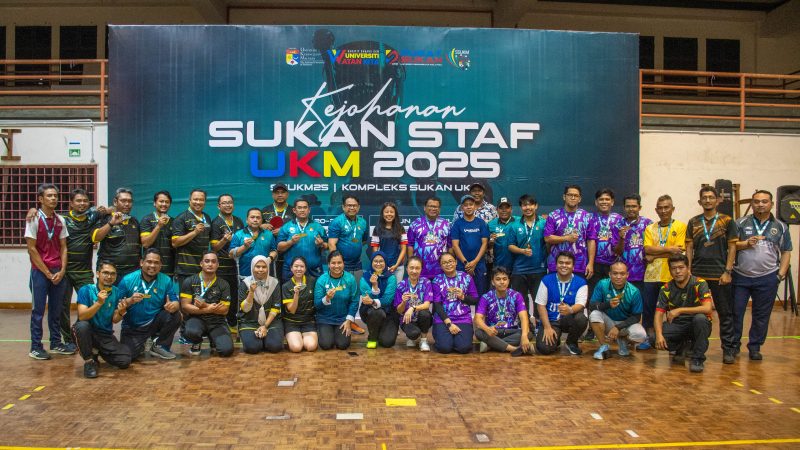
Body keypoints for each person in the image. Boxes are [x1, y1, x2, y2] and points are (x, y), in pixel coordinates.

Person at [732, 190, 792, 361]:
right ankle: (733, 346)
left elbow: (786, 251)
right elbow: (731, 246)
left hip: (768, 277)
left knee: (761, 315)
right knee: (736, 313)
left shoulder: (780, 226)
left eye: (764, 201)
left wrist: (780, 275)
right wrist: (745, 243)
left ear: (771, 204)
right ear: (752, 204)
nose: (760, 204)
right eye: (757, 201)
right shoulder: (740, 223)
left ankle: (755, 347)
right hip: (741, 276)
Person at [685, 186, 738, 364]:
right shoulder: (693, 222)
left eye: (711, 197)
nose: (707, 200)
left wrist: (727, 271)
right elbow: (689, 247)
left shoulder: (727, 221)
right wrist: (689, 271)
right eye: (704, 197)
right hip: (698, 275)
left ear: (717, 200)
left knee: (725, 313)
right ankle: (694, 347)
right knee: (695, 314)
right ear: (700, 201)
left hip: (720, 275)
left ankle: (728, 349)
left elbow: (732, 247)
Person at [25, 183, 70, 360]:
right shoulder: (33, 219)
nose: (53, 198)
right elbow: (31, 249)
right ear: (41, 199)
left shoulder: (60, 220)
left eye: (55, 196)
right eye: (49, 196)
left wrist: (62, 270)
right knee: (38, 311)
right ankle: (35, 347)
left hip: (58, 271)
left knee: (56, 309)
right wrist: (47, 273)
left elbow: (64, 246)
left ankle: (56, 343)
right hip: (39, 272)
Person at [58, 189, 105, 355]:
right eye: (78, 201)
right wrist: (32, 210)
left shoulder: (92, 217)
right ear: (71, 203)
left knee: (91, 303)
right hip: (64, 271)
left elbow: (111, 209)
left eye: (85, 201)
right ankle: (67, 339)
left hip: (84, 271)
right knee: (62, 307)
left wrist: (106, 210)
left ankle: (78, 331)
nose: (82, 204)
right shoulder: (62, 219)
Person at [73, 262, 134, 378]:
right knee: (82, 326)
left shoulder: (116, 292)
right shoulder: (86, 290)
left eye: (113, 274)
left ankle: (96, 351)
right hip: (87, 331)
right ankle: (89, 361)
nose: (109, 276)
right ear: (98, 274)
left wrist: (121, 312)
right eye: (105, 273)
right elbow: (82, 316)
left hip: (104, 334)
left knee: (125, 360)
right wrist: (99, 303)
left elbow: (115, 320)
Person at [118, 249, 181, 360]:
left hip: (154, 323)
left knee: (175, 315)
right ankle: (140, 343)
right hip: (133, 327)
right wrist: (130, 300)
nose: (152, 265)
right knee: (127, 357)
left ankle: (160, 345)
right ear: (142, 262)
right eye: (149, 262)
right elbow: (117, 304)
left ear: (161, 265)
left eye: (156, 263)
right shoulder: (127, 280)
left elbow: (175, 301)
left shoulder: (166, 280)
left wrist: (173, 306)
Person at [654, 254, 713, 373]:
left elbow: (708, 308)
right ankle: (682, 347)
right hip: (679, 325)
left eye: (681, 267)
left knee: (700, 319)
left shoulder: (699, 283)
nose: (677, 271)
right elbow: (658, 314)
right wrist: (659, 335)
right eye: (674, 268)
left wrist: (680, 310)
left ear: (688, 268)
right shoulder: (666, 288)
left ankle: (697, 359)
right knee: (653, 337)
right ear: (670, 270)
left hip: (698, 323)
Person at [642, 195, 686, 349]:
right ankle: (649, 338)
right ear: (656, 210)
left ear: (673, 209)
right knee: (649, 309)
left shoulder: (680, 226)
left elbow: (678, 252)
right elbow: (647, 249)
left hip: (672, 276)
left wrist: (655, 255)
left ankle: (675, 341)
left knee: (673, 310)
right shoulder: (650, 228)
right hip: (651, 276)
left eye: (666, 207)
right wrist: (669, 249)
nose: (663, 211)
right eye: (660, 208)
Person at [180, 251, 234, 357]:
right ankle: (196, 342)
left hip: (217, 321)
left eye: (213, 261)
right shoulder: (189, 281)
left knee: (226, 351)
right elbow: (185, 306)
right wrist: (208, 309)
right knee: (190, 332)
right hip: (196, 319)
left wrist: (205, 305)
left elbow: (224, 310)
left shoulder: (224, 284)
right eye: (207, 261)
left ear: (218, 264)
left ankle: (214, 340)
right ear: (201, 263)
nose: (210, 264)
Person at [589, 261, 647, 359]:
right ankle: (604, 346)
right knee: (594, 314)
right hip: (608, 323)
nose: (618, 277)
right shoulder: (602, 284)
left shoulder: (634, 291)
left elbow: (636, 317)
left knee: (640, 335)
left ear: (627, 275)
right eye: (615, 273)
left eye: (622, 274)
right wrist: (608, 304)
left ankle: (623, 340)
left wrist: (618, 327)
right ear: (610, 274)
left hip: (625, 325)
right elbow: (592, 305)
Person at [534, 251, 589, 356]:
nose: (564, 265)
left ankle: (571, 342)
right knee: (544, 349)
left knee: (581, 319)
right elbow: (540, 305)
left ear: (573, 266)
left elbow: (581, 304)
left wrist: (570, 310)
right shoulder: (546, 280)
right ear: (556, 265)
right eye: (561, 262)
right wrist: (547, 327)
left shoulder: (581, 282)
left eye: (568, 263)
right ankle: (556, 339)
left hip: (569, 319)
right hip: (551, 321)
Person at [474, 267, 533, 356]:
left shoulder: (516, 295)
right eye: (498, 279)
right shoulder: (486, 297)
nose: (502, 282)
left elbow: (524, 317)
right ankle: (514, 348)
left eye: (504, 279)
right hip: (493, 331)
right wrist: (487, 329)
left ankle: (491, 345)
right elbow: (477, 318)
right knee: (479, 332)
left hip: (512, 330)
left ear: (508, 281)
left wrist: (524, 336)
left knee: (528, 334)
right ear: (493, 282)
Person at [544, 185, 596, 280]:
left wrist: (591, 263)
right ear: (564, 197)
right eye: (570, 195)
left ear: (580, 199)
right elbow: (547, 238)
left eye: (576, 196)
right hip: (556, 264)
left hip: (579, 264)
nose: (573, 197)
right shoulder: (553, 215)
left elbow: (591, 240)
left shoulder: (587, 217)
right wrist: (566, 238)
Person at [431, 253, 479, 354]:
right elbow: (437, 305)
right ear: (441, 266)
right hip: (443, 319)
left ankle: (454, 340)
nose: (448, 264)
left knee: (464, 348)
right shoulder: (437, 280)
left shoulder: (467, 278)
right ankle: (447, 339)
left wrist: (463, 297)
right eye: (444, 263)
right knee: (444, 348)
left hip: (463, 317)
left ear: (456, 262)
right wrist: (449, 324)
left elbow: (475, 300)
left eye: (450, 261)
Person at [210, 194, 244, 331]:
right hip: (222, 267)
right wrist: (224, 240)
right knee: (220, 295)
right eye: (224, 203)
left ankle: (233, 323)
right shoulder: (216, 223)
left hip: (237, 266)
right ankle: (218, 324)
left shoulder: (238, 221)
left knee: (235, 295)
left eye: (230, 202)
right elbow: (214, 247)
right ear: (219, 206)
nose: (228, 205)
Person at [508, 194, 547, 312]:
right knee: (521, 302)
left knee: (539, 301)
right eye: (524, 205)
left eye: (530, 205)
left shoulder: (544, 223)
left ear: (536, 206)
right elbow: (510, 246)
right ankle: (524, 322)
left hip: (539, 269)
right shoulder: (514, 225)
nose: (528, 208)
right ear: (521, 207)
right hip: (519, 270)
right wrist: (522, 251)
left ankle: (539, 322)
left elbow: (549, 242)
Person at [93, 187, 141, 281]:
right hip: (110, 272)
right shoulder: (105, 219)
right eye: (123, 201)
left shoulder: (134, 221)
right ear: (115, 202)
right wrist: (111, 223)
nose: (127, 204)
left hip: (132, 272)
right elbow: (95, 238)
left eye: (130, 201)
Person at [314, 251, 359, 350]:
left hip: (343, 319)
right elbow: (317, 304)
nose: (336, 266)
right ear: (328, 264)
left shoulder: (350, 279)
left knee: (343, 345)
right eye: (333, 263)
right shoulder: (321, 280)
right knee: (326, 345)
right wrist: (326, 298)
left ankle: (337, 333)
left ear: (343, 263)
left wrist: (348, 320)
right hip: (325, 318)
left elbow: (354, 301)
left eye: (339, 262)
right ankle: (326, 332)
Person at [238, 255, 283, 354]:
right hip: (250, 321)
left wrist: (265, 326)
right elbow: (245, 309)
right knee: (253, 348)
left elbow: (275, 307)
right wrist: (251, 292)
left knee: (274, 346)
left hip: (271, 322)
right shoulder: (245, 283)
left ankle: (265, 337)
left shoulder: (274, 283)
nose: (261, 270)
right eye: (257, 267)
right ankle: (259, 339)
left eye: (264, 267)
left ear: (268, 268)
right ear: (252, 267)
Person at [172, 189, 213, 289]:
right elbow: (175, 243)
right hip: (186, 269)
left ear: (205, 202)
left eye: (201, 200)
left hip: (203, 268)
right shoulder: (181, 218)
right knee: (186, 298)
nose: (198, 202)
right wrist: (194, 232)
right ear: (189, 201)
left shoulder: (207, 218)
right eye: (195, 199)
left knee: (201, 297)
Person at [277, 198, 328, 279]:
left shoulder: (318, 227)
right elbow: (279, 248)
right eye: (299, 208)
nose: (302, 210)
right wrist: (290, 242)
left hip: (314, 270)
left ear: (309, 210)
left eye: (305, 207)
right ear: (294, 210)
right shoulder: (286, 227)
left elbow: (327, 245)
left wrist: (321, 244)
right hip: (292, 270)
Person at [451, 194, 490, 295]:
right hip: (462, 266)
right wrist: (466, 264)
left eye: (471, 204)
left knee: (480, 294)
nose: (468, 207)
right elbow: (455, 245)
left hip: (479, 265)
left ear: (475, 206)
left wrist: (475, 262)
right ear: (462, 207)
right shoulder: (457, 224)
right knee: (462, 295)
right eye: (466, 205)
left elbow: (484, 243)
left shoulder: (481, 223)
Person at [358, 251, 399, 348]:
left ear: (385, 263)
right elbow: (368, 301)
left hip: (389, 313)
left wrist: (373, 300)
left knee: (387, 343)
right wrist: (374, 287)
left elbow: (387, 300)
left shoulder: (391, 278)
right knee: (377, 311)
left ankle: (380, 331)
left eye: (381, 261)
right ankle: (372, 338)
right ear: (371, 262)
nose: (378, 263)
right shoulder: (365, 278)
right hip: (370, 311)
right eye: (375, 261)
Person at [613, 194, 652, 293]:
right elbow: (617, 252)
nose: (631, 209)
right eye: (628, 206)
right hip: (624, 275)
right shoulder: (618, 225)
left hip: (645, 274)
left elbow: (653, 247)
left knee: (642, 302)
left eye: (634, 206)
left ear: (640, 207)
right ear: (624, 207)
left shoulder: (648, 224)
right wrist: (621, 238)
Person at [394, 256, 433, 351]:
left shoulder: (426, 283)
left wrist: (412, 308)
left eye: (417, 268)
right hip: (407, 319)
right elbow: (399, 311)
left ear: (421, 269)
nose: (414, 271)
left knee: (425, 314)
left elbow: (427, 305)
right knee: (413, 334)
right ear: (407, 269)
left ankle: (423, 341)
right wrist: (403, 302)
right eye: (411, 268)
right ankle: (411, 337)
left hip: (421, 316)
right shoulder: (401, 285)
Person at [407, 196, 451, 280]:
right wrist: (411, 263)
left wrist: (449, 265)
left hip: (441, 270)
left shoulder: (446, 224)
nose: (433, 209)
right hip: (419, 270)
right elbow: (410, 245)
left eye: (436, 207)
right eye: (430, 206)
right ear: (424, 208)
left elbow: (450, 246)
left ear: (439, 209)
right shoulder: (415, 224)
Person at [588, 188, 624, 289]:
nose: (604, 202)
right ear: (596, 202)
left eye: (607, 199)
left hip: (613, 264)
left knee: (612, 293)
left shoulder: (619, 219)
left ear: (612, 202)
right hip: (594, 264)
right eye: (601, 199)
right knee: (595, 293)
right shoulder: (589, 218)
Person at [328, 195, 370, 279]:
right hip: (342, 265)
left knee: (357, 286)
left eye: (354, 205)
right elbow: (331, 244)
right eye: (349, 205)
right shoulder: (337, 222)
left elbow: (363, 241)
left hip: (357, 264)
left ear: (358, 207)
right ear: (343, 207)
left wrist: (353, 247)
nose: (352, 208)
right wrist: (338, 263)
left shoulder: (363, 222)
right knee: (343, 286)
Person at [282, 256, 318, 353]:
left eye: (302, 266)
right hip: (292, 322)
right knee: (296, 348)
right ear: (291, 268)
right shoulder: (286, 286)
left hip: (308, 321)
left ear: (305, 269)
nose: (299, 269)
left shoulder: (312, 281)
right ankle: (293, 338)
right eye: (296, 266)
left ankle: (302, 337)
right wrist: (296, 294)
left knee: (311, 347)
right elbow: (292, 310)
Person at [261, 183, 295, 284]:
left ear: (287, 194)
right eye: (277, 192)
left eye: (282, 192)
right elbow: (254, 227)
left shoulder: (294, 211)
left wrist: (283, 231)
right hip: (269, 254)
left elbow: (300, 229)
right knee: (271, 284)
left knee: (288, 284)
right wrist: (261, 226)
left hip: (289, 254)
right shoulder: (265, 211)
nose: (280, 195)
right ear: (273, 195)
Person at [230, 207, 278, 278]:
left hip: (265, 275)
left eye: (258, 218)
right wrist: (244, 247)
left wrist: (270, 258)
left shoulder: (269, 234)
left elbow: (274, 250)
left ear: (261, 220)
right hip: (245, 275)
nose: (255, 220)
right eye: (252, 217)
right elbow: (231, 254)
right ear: (247, 220)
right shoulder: (238, 234)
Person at [140, 190, 176, 278]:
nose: (164, 204)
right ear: (154, 203)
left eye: (167, 202)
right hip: (150, 267)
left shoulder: (174, 221)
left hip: (168, 268)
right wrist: (158, 226)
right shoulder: (147, 220)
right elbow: (145, 243)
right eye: (161, 201)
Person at [369, 202, 408, 282]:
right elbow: (375, 250)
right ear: (383, 214)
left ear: (395, 214)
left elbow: (404, 249)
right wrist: (382, 264)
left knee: (397, 288)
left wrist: (396, 265)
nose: (389, 214)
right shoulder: (377, 229)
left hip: (398, 267)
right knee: (384, 288)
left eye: (391, 212)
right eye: (386, 212)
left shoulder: (401, 228)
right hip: (382, 267)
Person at [487, 197, 517, 273]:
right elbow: (487, 247)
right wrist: (491, 242)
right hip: (499, 265)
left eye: (507, 207)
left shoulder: (519, 221)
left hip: (517, 266)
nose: (504, 210)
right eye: (501, 208)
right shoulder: (491, 224)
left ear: (511, 209)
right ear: (497, 209)